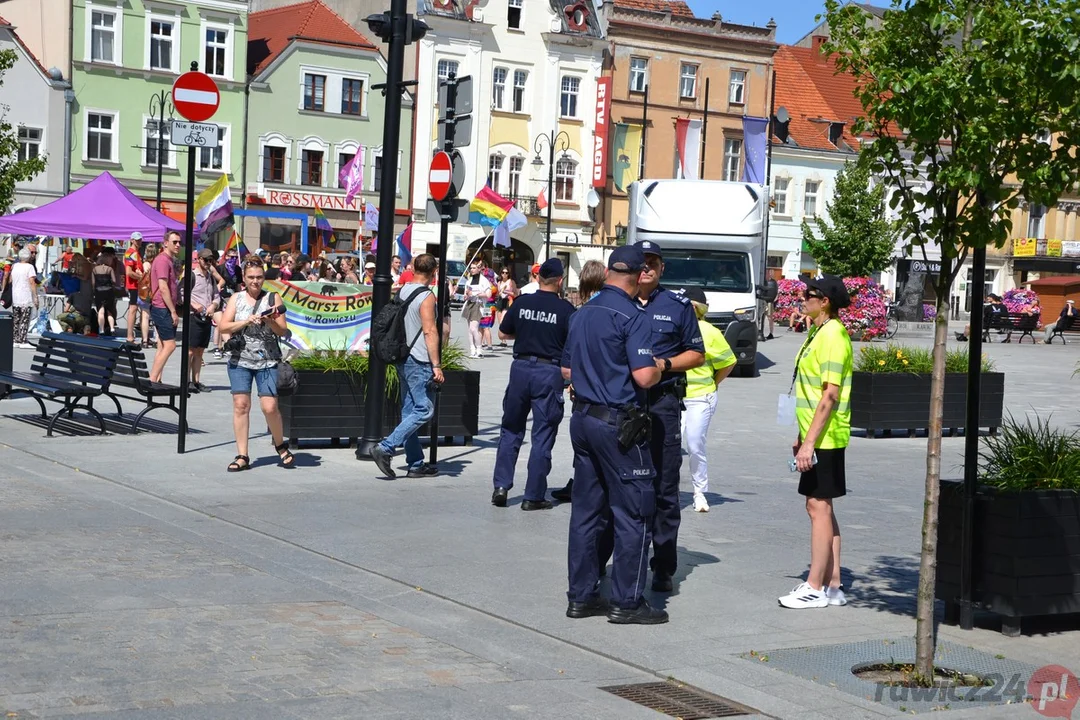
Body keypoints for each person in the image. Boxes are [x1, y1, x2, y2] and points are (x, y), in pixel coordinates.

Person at [562, 245, 665, 624]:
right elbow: (642, 376)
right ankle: (627, 601)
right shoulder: (632, 316)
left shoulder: (583, 313)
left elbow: (567, 372)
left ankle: (581, 596)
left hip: (583, 419)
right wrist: (658, 367)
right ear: (639, 276)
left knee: (586, 513)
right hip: (618, 423)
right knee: (635, 512)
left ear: (608, 272)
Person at [633, 240, 705, 594]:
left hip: (662, 404)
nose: (645, 268)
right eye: (641, 262)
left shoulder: (677, 306)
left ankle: (663, 566)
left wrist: (665, 365)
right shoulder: (617, 302)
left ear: (661, 269)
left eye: (652, 263)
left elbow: (697, 354)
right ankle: (618, 562)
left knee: (664, 488)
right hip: (624, 404)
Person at [778, 275, 853, 610]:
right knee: (823, 507)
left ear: (825, 301)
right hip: (817, 433)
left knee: (817, 507)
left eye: (809, 295)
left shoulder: (833, 336)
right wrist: (801, 435)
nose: (802, 298)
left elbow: (830, 395)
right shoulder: (819, 332)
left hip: (826, 436)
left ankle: (814, 586)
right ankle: (833, 584)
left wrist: (809, 443)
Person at [491, 258, 576, 510]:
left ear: (538, 279)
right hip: (549, 372)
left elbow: (503, 333)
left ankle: (501, 486)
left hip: (520, 369)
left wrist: (528, 332)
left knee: (511, 430)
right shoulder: (566, 311)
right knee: (542, 434)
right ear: (560, 281)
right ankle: (534, 495)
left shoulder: (522, 302)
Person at [370, 253, 445, 479]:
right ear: (434, 273)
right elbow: (430, 331)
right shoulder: (427, 297)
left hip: (402, 356)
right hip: (419, 359)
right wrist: (437, 365)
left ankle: (415, 463)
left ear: (413, 269)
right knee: (424, 409)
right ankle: (386, 447)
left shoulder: (403, 290)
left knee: (408, 410)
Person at [218, 258, 293, 471]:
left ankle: (280, 444)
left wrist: (269, 320)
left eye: (259, 277)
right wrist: (245, 321)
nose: (255, 281)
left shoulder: (273, 298)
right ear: (244, 278)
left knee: (270, 407)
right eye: (251, 277)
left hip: (267, 360)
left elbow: (283, 331)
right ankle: (242, 454)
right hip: (240, 359)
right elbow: (224, 326)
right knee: (241, 405)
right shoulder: (236, 298)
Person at [551, 258, 610, 503]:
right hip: (610, 389)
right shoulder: (616, 308)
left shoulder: (580, 314)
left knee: (584, 444)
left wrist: (573, 382)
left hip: (584, 390)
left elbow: (568, 365)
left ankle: (582, 484)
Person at [679, 286, 736, 512]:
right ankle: (666, 491)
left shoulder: (710, 332)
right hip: (674, 397)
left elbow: (729, 362)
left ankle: (699, 491)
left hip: (701, 398)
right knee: (671, 446)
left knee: (694, 443)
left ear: (700, 309)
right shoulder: (674, 328)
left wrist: (713, 384)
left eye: (691, 306)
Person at [149, 231, 181, 383]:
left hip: (164, 307)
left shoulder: (169, 260)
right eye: (174, 242)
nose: (178, 245)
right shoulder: (162, 260)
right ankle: (153, 379)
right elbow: (163, 287)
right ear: (165, 243)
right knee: (170, 345)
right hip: (162, 308)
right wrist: (173, 311)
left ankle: (157, 379)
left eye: (179, 242)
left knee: (162, 345)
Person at [187, 248, 221, 393]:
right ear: (199, 259)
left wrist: (213, 305)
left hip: (206, 316)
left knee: (200, 351)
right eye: (206, 260)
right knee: (190, 351)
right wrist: (195, 305)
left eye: (210, 260)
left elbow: (216, 295)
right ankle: (186, 381)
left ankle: (196, 381)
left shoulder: (211, 277)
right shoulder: (192, 276)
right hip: (193, 316)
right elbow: (182, 294)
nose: (208, 263)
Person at [461, 260, 494, 358]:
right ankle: (472, 349)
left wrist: (476, 294)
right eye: (471, 268)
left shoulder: (484, 280)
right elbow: (465, 295)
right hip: (469, 304)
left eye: (474, 268)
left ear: (479, 269)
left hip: (478, 305)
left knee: (474, 328)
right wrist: (466, 295)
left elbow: (488, 294)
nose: (472, 270)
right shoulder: (469, 281)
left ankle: (479, 349)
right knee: (469, 329)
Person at [10, 248, 38, 349]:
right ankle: (22, 340)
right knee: (25, 318)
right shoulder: (29, 267)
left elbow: (11, 279)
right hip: (25, 295)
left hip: (15, 294)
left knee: (16, 318)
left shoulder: (15, 266)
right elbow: (32, 282)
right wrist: (35, 297)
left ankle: (15, 339)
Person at [92, 247, 120, 336]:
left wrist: (94, 290)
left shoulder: (94, 269)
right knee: (110, 311)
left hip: (98, 291)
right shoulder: (110, 269)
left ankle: (101, 329)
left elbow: (93, 282)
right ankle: (112, 328)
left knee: (100, 311)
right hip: (109, 291)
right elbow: (114, 281)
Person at [124, 233, 145, 343]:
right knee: (133, 309)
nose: (139, 241)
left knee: (138, 309)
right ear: (132, 240)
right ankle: (129, 335)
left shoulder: (136, 253)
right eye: (137, 240)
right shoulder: (130, 253)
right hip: (134, 286)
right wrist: (141, 277)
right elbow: (129, 272)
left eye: (140, 240)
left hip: (137, 285)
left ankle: (137, 335)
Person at [495, 266, 517, 348]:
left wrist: (506, 291)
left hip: (508, 301)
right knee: (499, 321)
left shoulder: (511, 282)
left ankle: (505, 338)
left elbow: (515, 294)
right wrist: (500, 293)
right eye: (503, 272)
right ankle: (503, 340)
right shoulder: (499, 283)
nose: (504, 274)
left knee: (502, 320)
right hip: (500, 301)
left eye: (506, 273)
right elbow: (498, 294)